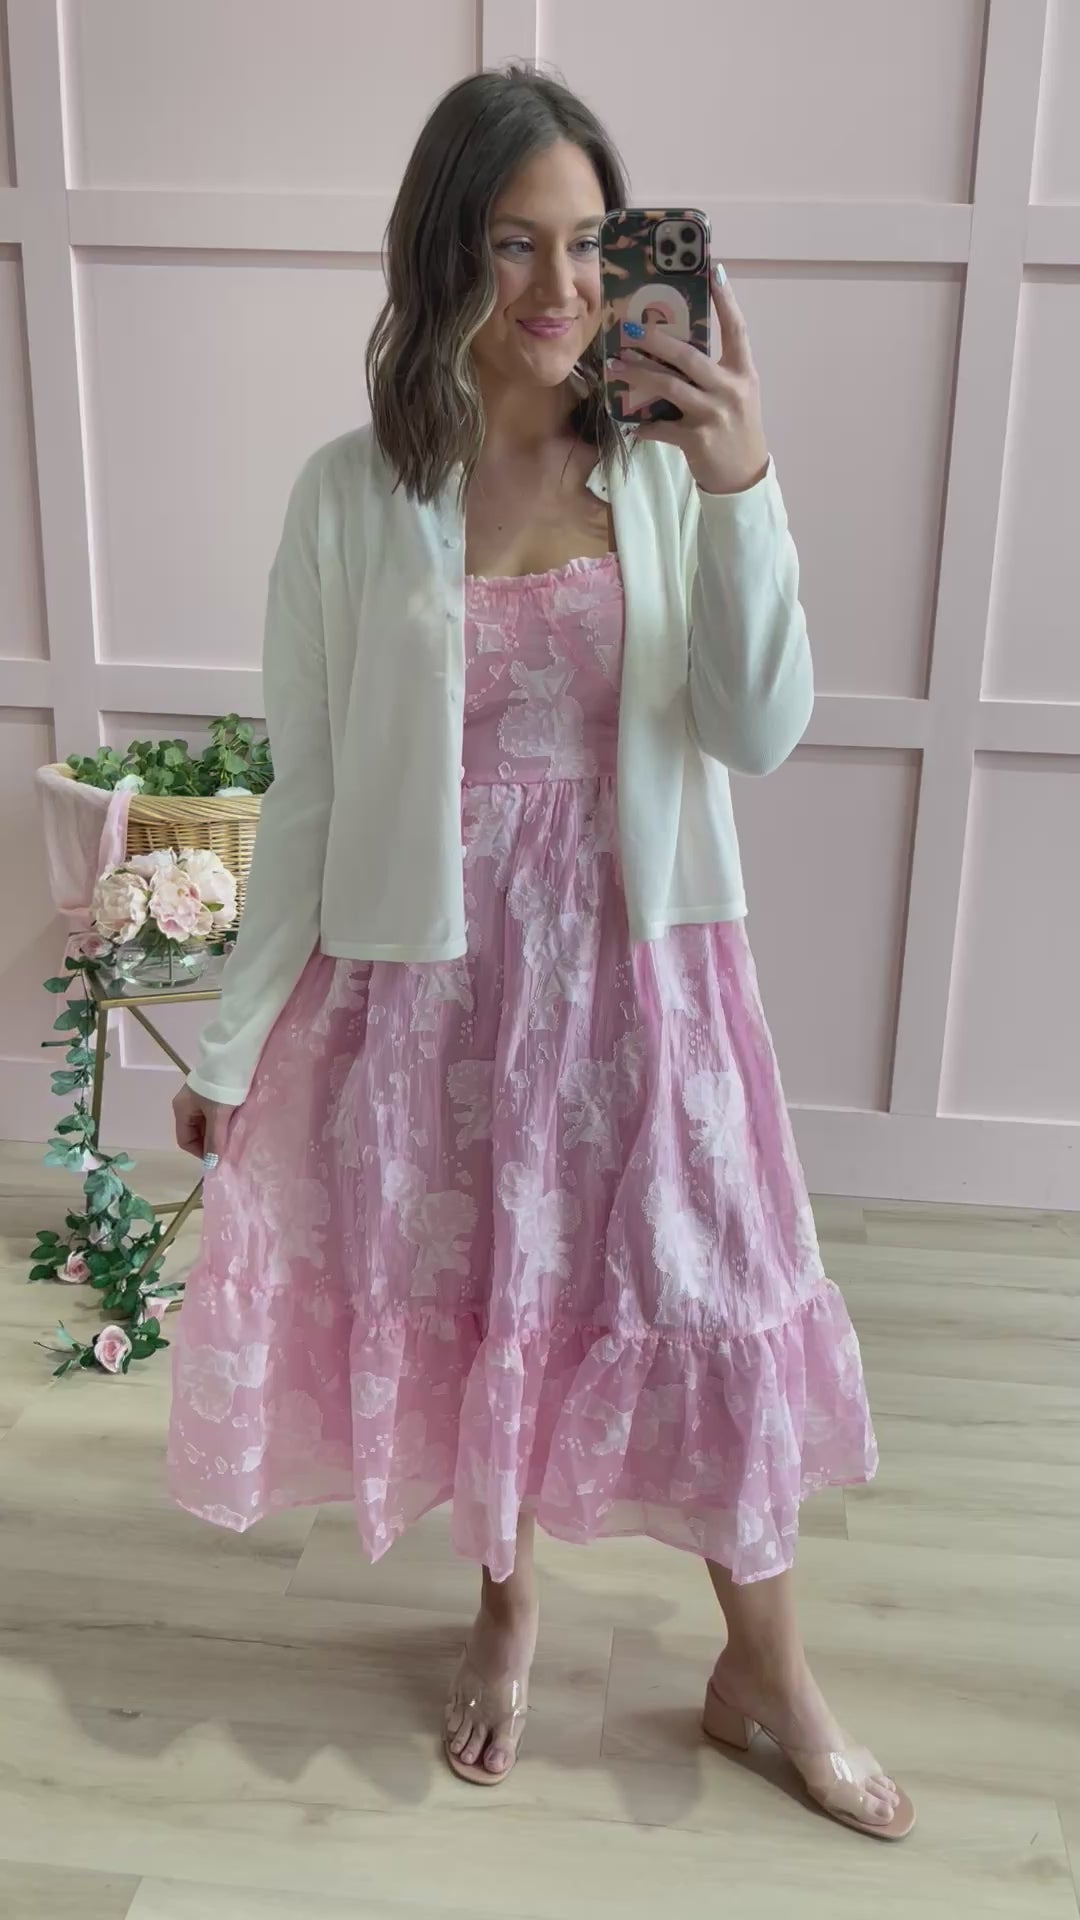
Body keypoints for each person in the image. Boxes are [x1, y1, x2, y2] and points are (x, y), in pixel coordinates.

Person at [170, 65, 913, 1840]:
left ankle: (768, 1671)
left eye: (590, 243)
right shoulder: (351, 496)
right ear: (444, 254)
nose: (563, 287)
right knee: (489, 1301)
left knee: (702, 1296)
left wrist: (742, 484)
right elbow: (308, 788)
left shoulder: (666, 473)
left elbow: (759, 728)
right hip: (433, 990)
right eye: (515, 243)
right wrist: (233, 1041)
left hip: (645, 973)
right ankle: (504, 1612)